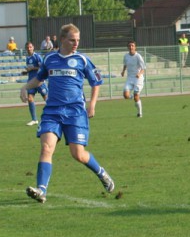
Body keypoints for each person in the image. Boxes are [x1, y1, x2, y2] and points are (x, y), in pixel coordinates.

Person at [20, 23, 114, 203]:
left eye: (78, 40)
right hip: (52, 112)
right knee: (46, 148)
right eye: (72, 40)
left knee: (78, 154)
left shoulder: (82, 60)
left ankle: (101, 172)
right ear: (62, 39)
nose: (76, 43)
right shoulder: (50, 59)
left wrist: (92, 104)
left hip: (75, 112)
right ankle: (41, 190)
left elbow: (96, 82)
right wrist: (25, 87)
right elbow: (38, 79)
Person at [22, 41, 48, 126]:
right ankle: (34, 119)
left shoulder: (37, 56)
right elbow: (30, 70)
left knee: (46, 99)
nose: (29, 49)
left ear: (33, 47)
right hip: (31, 81)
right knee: (30, 98)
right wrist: (26, 72)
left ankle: (53, 116)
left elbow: (42, 67)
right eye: (27, 47)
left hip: (39, 80)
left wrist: (32, 68)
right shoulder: (27, 58)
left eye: (30, 47)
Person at [120, 41, 146, 118]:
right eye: (130, 46)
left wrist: (139, 73)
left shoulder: (138, 56)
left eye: (132, 46)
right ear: (128, 47)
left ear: (135, 47)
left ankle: (139, 113)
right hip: (130, 78)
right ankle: (133, 98)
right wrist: (123, 71)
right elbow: (125, 64)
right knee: (126, 95)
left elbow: (143, 68)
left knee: (136, 96)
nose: (131, 47)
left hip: (138, 79)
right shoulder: (126, 56)